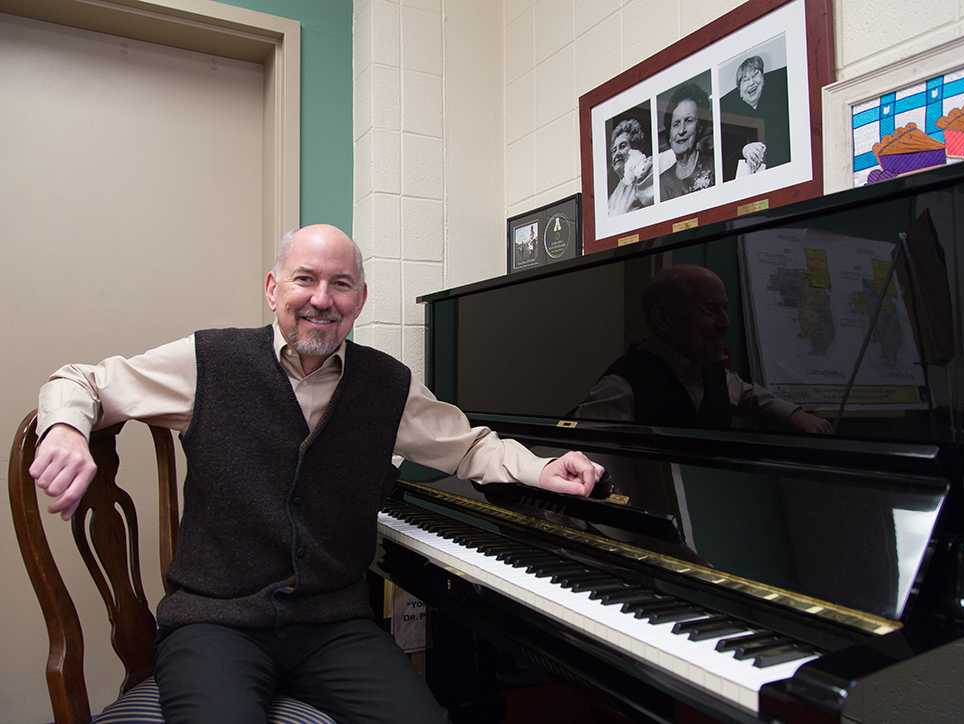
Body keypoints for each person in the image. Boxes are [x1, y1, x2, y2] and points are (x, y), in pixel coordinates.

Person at [30, 224, 605, 724]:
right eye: (305, 279)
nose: (321, 300)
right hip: (214, 623)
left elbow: (469, 447)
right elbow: (80, 380)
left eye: (341, 284)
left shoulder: (387, 385)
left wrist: (544, 467)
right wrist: (66, 430)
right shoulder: (208, 362)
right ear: (273, 288)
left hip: (333, 625)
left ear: (359, 300)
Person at [573, 265, 832, 434]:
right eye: (709, 310)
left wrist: (798, 417)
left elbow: (752, 397)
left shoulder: (712, 373)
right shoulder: (621, 387)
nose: (724, 323)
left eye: (724, 309)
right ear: (664, 319)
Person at [720, 55, 791, 181]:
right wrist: (744, 150)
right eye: (745, 80)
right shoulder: (729, 117)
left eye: (755, 75)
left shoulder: (780, 103)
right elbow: (724, 155)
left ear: (763, 78)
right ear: (739, 90)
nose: (752, 82)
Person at [658, 83, 716, 201]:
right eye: (676, 123)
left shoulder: (714, 164)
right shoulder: (662, 181)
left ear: (699, 127)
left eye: (689, 120)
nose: (681, 130)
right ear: (669, 133)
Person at [607, 117, 654, 216]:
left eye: (623, 146)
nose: (617, 153)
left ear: (635, 148)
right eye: (614, 150)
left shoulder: (646, 171)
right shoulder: (614, 194)